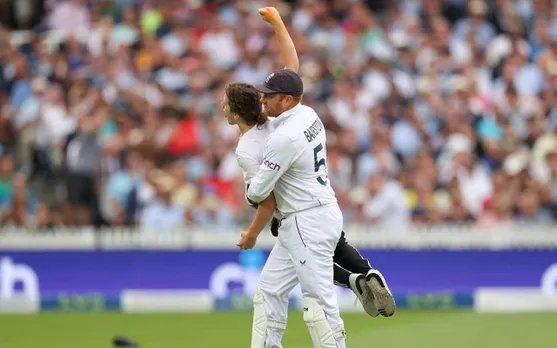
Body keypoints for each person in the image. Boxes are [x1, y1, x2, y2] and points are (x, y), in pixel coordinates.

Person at [230, 7, 393, 348]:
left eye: (270, 96)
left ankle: (350, 294)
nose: (264, 99)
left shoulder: (281, 138)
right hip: (322, 212)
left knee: (319, 306)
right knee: (269, 291)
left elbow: (260, 191)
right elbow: (292, 66)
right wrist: (277, 23)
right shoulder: (307, 114)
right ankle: (358, 275)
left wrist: (248, 194)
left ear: (286, 100)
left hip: (304, 221)